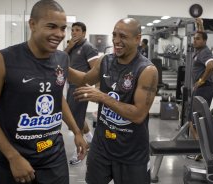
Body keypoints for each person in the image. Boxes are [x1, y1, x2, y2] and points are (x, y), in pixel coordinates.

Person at [0, 1, 87, 184]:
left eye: (62, 28)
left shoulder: (62, 58)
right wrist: (13, 157)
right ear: (32, 24)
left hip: (53, 157)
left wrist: (76, 131)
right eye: (51, 26)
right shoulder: (3, 60)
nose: (59, 34)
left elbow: (57, 98)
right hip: (14, 159)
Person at [68, 18, 158, 184]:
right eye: (114, 35)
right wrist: (61, 65)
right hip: (101, 146)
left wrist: (102, 97)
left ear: (137, 39)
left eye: (122, 36)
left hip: (131, 152)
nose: (116, 41)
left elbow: (138, 115)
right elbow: (84, 78)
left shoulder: (147, 70)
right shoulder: (105, 61)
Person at [64, 22, 99, 165]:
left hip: (81, 88)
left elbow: (96, 70)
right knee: (76, 117)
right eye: (72, 30)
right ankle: (90, 140)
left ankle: (79, 152)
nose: (74, 32)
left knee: (75, 122)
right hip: (70, 86)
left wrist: (96, 89)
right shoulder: (72, 46)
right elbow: (59, 59)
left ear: (84, 33)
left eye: (77, 30)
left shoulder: (88, 47)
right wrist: (69, 47)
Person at [189, 18, 213, 161]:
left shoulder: (204, 52)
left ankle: (203, 150)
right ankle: (201, 150)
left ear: (204, 41)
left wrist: (201, 80)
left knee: (196, 122)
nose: (195, 41)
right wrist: (199, 25)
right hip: (201, 90)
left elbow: (212, 65)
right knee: (194, 121)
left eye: (197, 39)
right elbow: (201, 35)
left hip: (203, 89)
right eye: (194, 39)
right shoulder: (199, 50)